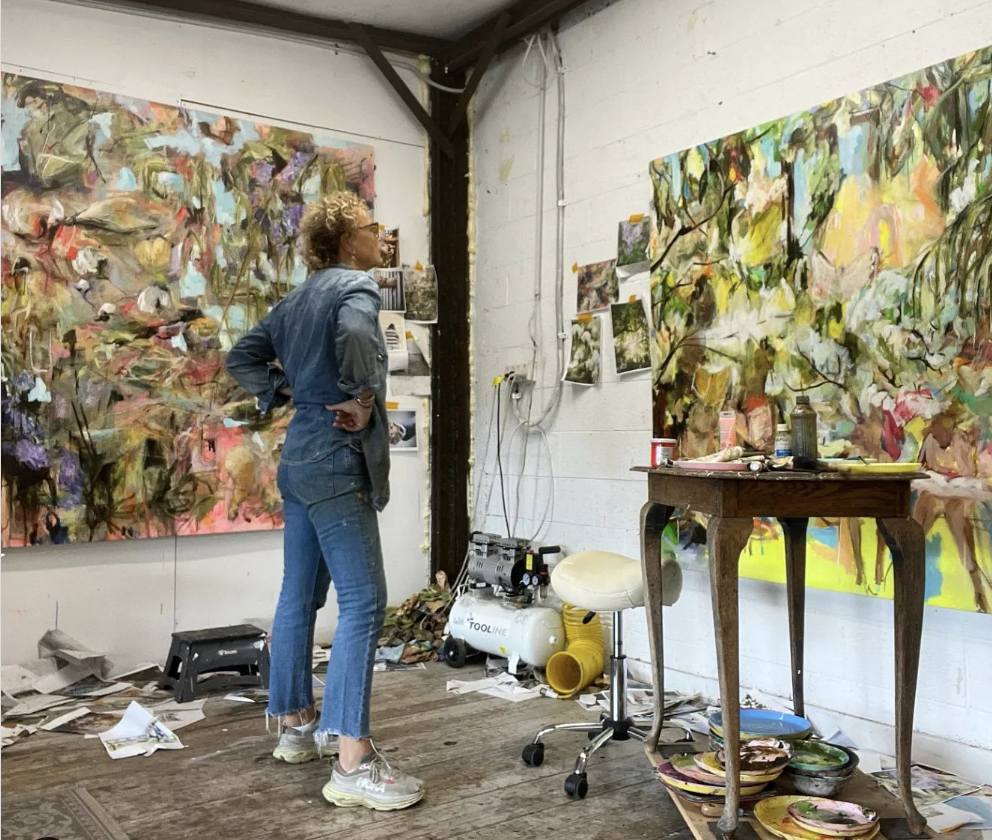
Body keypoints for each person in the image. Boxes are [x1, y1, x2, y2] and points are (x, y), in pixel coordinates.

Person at [225, 191, 424, 811]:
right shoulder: (355, 288)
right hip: (338, 459)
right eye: (370, 227)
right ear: (345, 241)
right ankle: (353, 763)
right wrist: (362, 399)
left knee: (299, 594)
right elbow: (360, 332)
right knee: (364, 602)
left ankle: (295, 726)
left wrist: (287, 392)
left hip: (299, 460)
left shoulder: (294, 300)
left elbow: (241, 357)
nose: (380, 236)